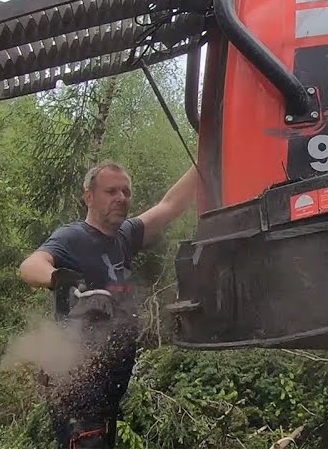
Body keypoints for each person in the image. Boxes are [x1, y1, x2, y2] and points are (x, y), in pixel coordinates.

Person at [19, 161, 201, 448]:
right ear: (89, 196)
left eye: (126, 192)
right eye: (111, 191)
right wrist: (61, 280)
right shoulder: (72, 237)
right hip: (78, 387)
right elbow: (29, 266)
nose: (121, 198)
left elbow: (170, 206)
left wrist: (207, 154)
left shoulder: (125, 237)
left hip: (109, 389)